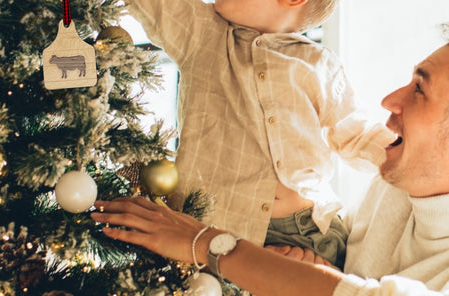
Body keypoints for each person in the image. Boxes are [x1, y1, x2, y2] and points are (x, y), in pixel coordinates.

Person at [19, 0, 395, 269]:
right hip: (214, 228)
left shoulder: (318, 64)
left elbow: (356, 135)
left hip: (307, 232)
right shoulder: (203, 34)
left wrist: (412, 157)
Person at [91, 41, 449, 295]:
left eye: (419, 89)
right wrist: (319, 270)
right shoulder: (396, 184)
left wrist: (204, 242)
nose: (390, 101)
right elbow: (350, 279)